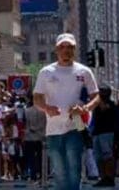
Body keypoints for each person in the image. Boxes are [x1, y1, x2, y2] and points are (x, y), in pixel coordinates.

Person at [33, 32, 100, 190]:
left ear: (74, 49)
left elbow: (96, 96)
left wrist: (85, 108)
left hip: (76, 123)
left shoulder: (84, 71)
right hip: (53, 126)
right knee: (60, 172)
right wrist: (46, 108)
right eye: (62, 47)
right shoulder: (46, 72)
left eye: (70, 47)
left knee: (74, 168)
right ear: (57, 50)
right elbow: (36, 98)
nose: (66, 50)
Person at [91, 85, 119, 187]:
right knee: (98, 157)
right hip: (97, 133)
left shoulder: (110, 104)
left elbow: (104, 107)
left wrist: (98, 98)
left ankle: (109, 178)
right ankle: (102, 178)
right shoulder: (97, 104)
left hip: (107, 133)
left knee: (107, 156)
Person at [24, 100, 46, 182]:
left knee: (31, 157)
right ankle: (42, 174)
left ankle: (33, 175)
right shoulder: (44, 111)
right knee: (41, 157)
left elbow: (25, 123)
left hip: (29, 136)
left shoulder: (27, 111)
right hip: (41, 136)